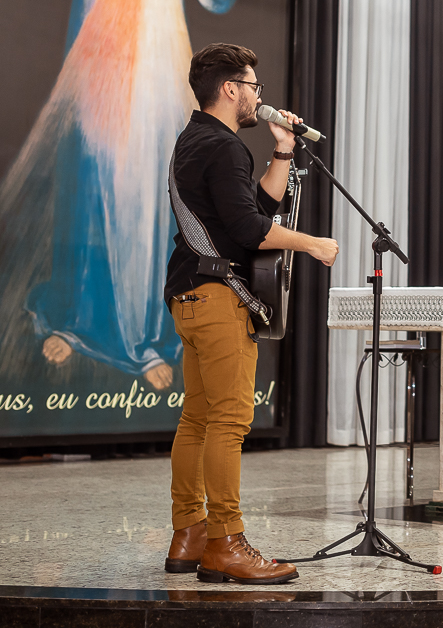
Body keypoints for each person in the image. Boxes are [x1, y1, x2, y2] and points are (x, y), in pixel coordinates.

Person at [14, 0, 247, 390]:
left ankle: (143, 332)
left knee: (153, 164)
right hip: (103, 9)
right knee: (93, 157)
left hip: (160, 18)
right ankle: (77, 318)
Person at [162, 43, 339, 584]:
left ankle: (189, 534)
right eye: (253, 86)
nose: (258, 96)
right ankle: (226, 543)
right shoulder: (224, 146)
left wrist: (283, 150)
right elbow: (251, 230)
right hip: (218, 298)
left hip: (190, 294)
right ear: (230, 89)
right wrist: (312, 243)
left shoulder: (195, 140)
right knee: (229, 422)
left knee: (198, 418)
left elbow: (254, 208)